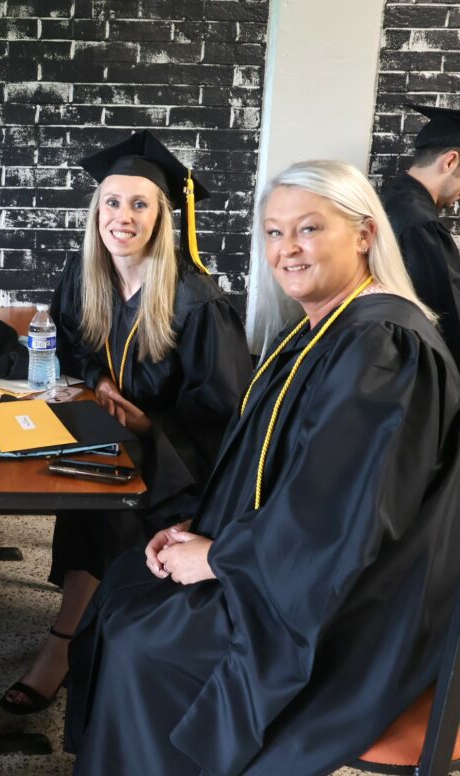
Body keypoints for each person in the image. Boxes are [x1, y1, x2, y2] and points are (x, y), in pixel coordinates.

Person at [65, 160, 460, 775]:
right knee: (123, 588)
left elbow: (341, 518)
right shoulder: (323, 328)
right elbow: (275, 472)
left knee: (147, 641)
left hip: (350, 605)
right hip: (289, 565)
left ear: (364, 234)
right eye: (274, 233)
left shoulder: (383, 345)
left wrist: (219, 556)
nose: (287, 249)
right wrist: (202, 525)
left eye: (308, 228)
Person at [0, 130, 252, 714]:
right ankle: (82, 635)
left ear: (164, 217)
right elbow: (68, 346)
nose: (123, 216)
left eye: (140, 204)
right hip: (108, 436)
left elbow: (226, 415)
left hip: (180, 464)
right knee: (78, 474)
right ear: (96, 212)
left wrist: (147, 428)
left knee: (106, 496)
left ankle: (71, 643)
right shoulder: (85, 274)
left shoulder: (198, 301)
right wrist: (98, 383)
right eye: (112, 202)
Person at [381, 103, 460, 367]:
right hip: (411, 366)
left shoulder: (389, 198)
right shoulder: (421, 225)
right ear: (450, 161)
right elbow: (448, 318)